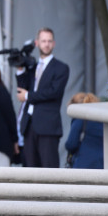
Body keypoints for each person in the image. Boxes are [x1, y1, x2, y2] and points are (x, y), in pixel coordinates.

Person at [16, 27, 69, 168]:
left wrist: (27, 96)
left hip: (48, 126)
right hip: (29, 125)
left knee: (49, 168)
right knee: (30, 169)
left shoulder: (61, 68)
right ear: (37, 43)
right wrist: (19, 68)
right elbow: (22, 89)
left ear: (54, 44)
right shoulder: (32, 66)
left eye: (49, 41)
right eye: (43, 41)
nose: (46, 44)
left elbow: (53, 92)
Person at [64, 92, 104, 169]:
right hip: (103, 164)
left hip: (84, 164)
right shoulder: (102, 119)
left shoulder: (80, 119)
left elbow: (71, 144)